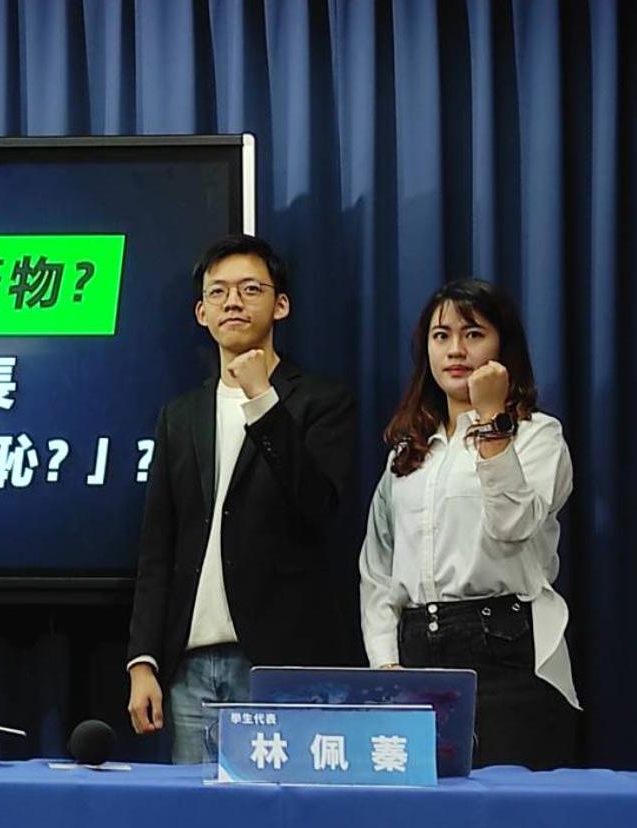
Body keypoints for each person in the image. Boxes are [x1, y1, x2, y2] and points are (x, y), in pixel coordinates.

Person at [127, 234, 358, 764]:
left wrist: (262, 398)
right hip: (190, 670)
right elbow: (158, 547)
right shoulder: (180, 416)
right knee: (198, 813)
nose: (233, 302)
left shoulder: (323, 401)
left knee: (283, 809)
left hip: (279, 665)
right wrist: (143, 660)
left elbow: (318, 507)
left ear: (281, 305)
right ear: (201, 313)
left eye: (251, 289)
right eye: (219, 292)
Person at [359, 278, 578, 769]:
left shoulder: (538, 436)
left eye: (473, 334)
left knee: (508, 805)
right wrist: (386, 663)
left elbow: (513, 525)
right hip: (416, 653)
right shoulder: (408, 453)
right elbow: (377, 569)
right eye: (441, 336)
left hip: (504, 650)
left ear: (503, 346)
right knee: (425, 809)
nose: (455, 350)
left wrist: (493, 419)